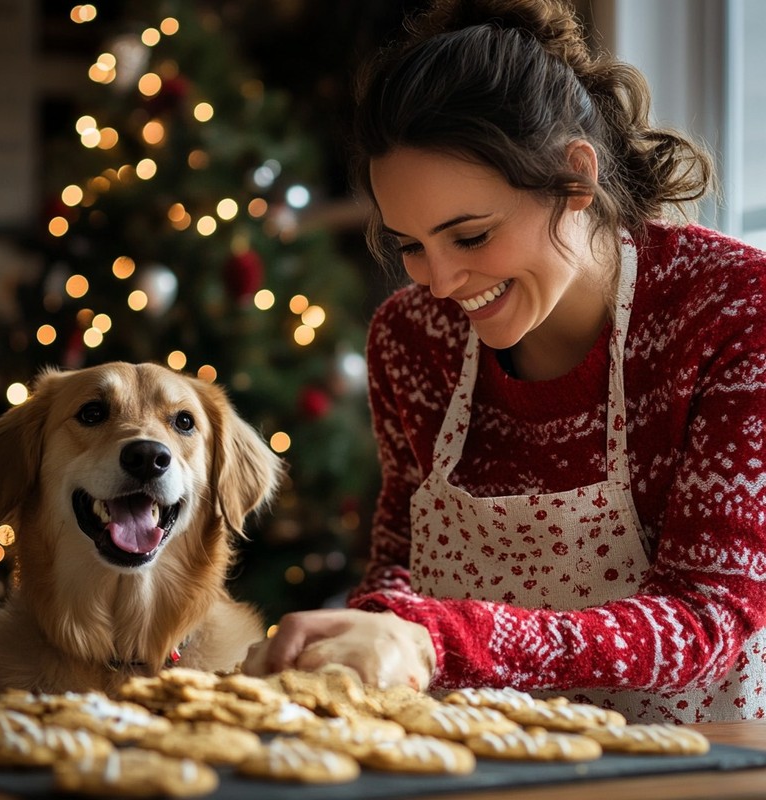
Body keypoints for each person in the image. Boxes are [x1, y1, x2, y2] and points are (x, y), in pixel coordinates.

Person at [243, 0, 766, 723]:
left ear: (574, 178)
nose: (440, 280)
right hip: (474, 762)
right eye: (411, 245)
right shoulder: (413, 338)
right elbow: (400, 568)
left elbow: (705, 618)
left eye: (471, 234)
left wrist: (433, 638)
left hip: (693, 764)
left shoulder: (731, 310)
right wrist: (356, 635)